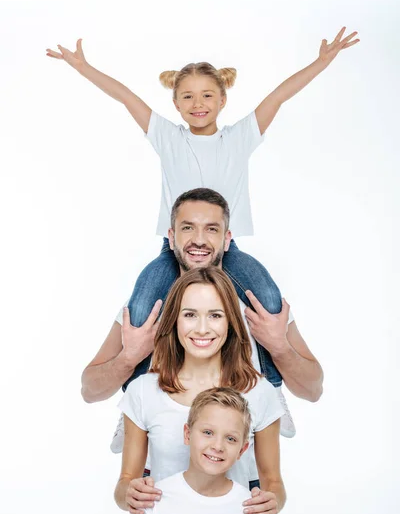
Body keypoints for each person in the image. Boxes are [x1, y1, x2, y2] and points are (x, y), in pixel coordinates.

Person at [48, 29, 355, 432]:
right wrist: (84, 68)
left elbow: (279, 96)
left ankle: (273, 389)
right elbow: (125, 97)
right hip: (171, 252)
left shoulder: (240, 138)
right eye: (188, 96)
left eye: (207, 95)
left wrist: (320, 63)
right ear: (175, 103)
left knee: (266, 297)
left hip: (225, 252)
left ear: (223, 99)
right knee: (140, 312)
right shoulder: (167, 138)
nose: (198, 104)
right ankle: (135, 403)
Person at [81, 188, 324, 454]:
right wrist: (129, 358)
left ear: (227, 239)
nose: (199, 240)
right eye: (187, 228)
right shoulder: (148, 311)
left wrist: (279, 347)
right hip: (158, 479)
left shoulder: (260, 311)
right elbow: (90, 391)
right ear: (171, 238)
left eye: (211, 229)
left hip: (245, 477)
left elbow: (313, 390)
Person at [115, 266, 285, 514]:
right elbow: (125, 482)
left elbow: (273, 482)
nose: (202, 329)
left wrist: (272, 501)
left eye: (215, 315)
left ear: (230, 321)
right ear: (174, 320)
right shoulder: (143, 392)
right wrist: (129, 493)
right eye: (190, 315)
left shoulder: (259, 392)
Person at [124, 387, 273, 514]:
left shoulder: (254, 510)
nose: (217, 446)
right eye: (208, 432)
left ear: (242, 450)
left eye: (230, 439)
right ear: (187, 434)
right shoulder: (153, 501)